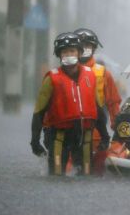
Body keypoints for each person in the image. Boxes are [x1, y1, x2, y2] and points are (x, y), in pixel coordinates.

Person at [30, 32, 109, 176]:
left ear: (79, 53)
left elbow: (98, 108)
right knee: (57, 175)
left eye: (72, 51)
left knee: (86, 176)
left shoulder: (90, 76)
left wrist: (105, 136)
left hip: (84, 135)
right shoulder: (52, 78)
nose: (68, 55)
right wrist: (35, 141)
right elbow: (39, 112)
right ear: (59, 55)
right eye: (64, 52)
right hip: (59, 136)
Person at [74, 28, 121, 174]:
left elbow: (113, 103)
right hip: (69, 133)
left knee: (94, 173)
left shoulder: (103, 73)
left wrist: (118, 133)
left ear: (94, 48)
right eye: (80, 45)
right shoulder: (63, 73)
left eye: (87, 45)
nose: (84, 49)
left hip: (96, 136)